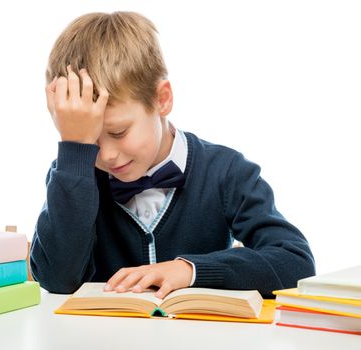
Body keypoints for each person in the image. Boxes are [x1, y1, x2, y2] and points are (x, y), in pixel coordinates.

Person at [30, 11, 315, 299]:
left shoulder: (226, 171)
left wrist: (190, 270)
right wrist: (75, 150)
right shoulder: (73, 175)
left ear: (162, 100)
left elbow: (297, 264)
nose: (107, 156)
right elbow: (57, 279)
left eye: (118, 133)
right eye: (90, 140)